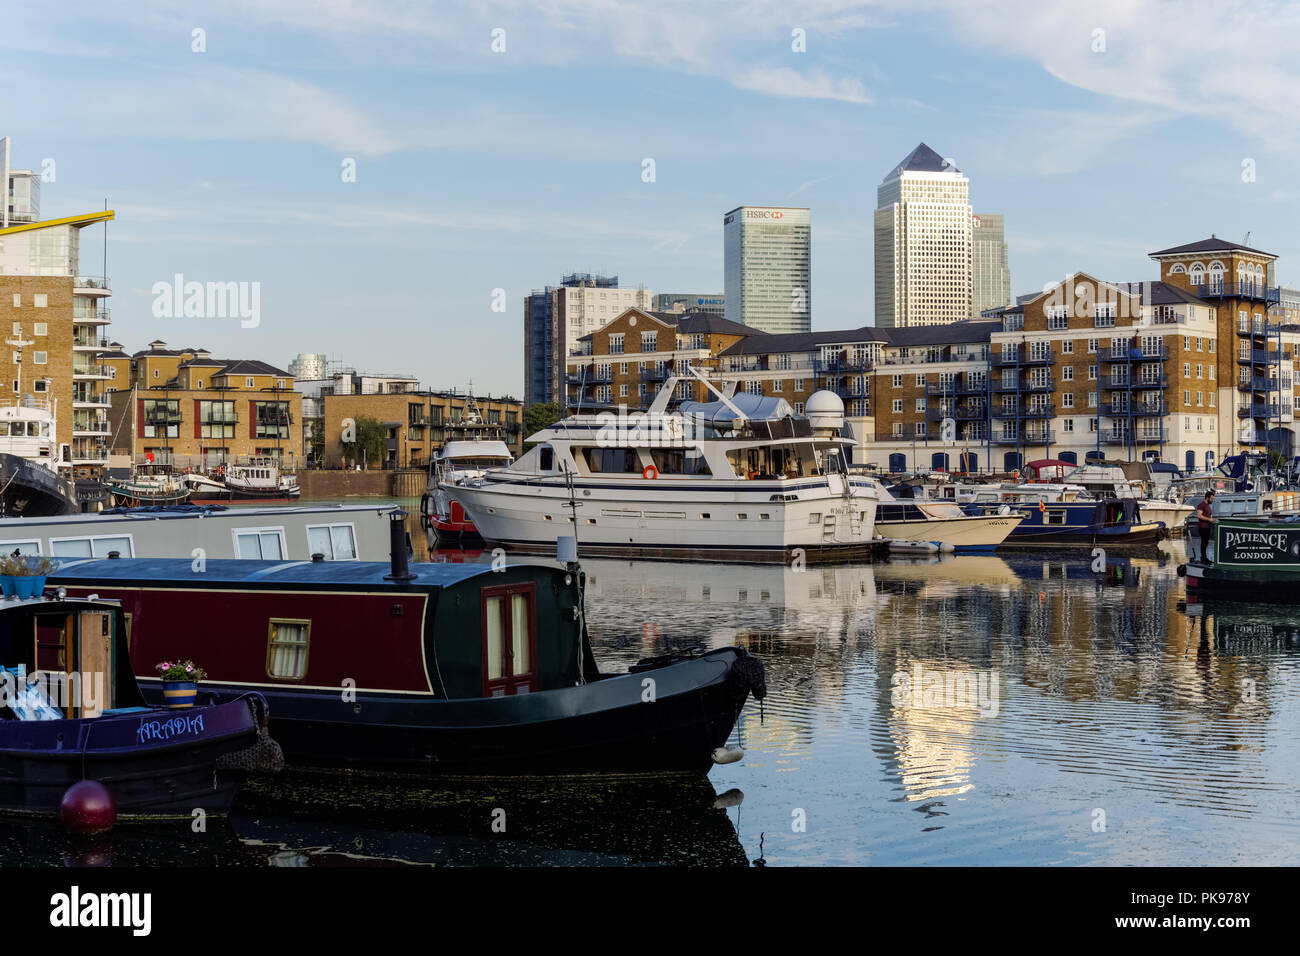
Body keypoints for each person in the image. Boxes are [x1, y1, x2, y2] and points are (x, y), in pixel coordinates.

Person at [1195, 490, 1215, 562]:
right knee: (1204, 542)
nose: (1212, 500)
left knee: (1206, 543)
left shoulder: (1208, 506)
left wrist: (1212, 520)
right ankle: (1203, 558)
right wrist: (1209, 520)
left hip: (1208, 527)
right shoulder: (1201, 505)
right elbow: (1199, 516)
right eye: (1211, 499)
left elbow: (1208, 516)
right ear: (1207, 498)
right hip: (1202, 527)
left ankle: (1204, 558)